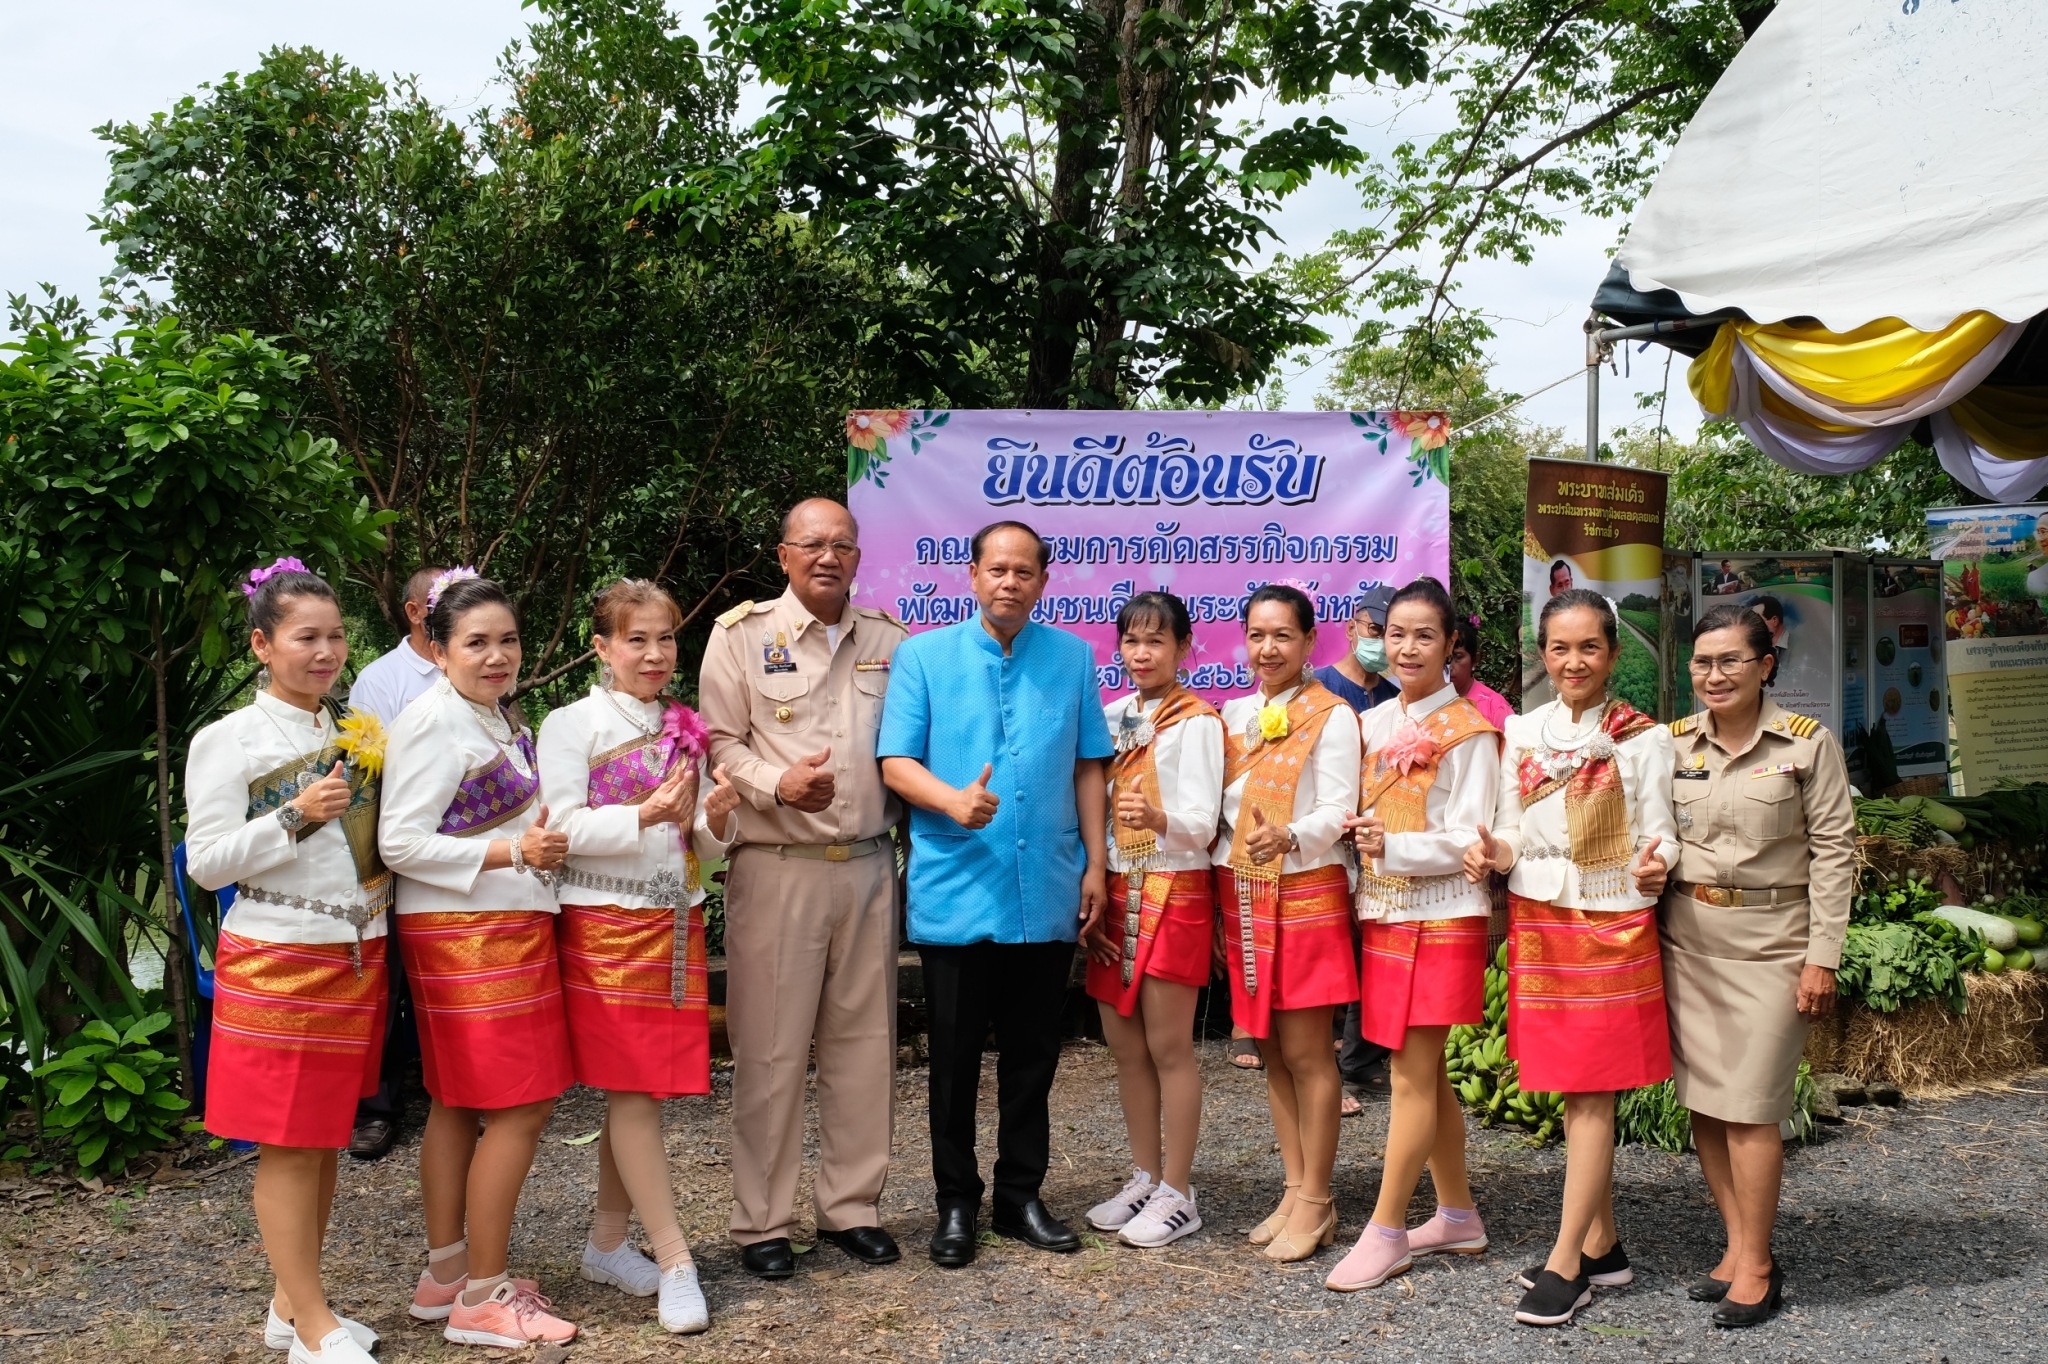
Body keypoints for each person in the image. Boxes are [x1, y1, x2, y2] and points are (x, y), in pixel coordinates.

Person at [877, 520, 1114, 1269]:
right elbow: (894, 762)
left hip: (1045, 887)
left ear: (1043, 581)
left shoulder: (1072, 658)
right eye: (996, 569)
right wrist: (950, 802)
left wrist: (1096, 866)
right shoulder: (922, 657)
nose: (1009, 582)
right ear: (972, 575)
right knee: (950, 1064)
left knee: (1033, 1057)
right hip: (958, 889)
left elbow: (1087, 767)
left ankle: (1019, 1197)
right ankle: (955, 1204)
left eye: (1024, 572)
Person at [698, 497, 910, 1280]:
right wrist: (778, 784)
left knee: (864, 1048)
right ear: (783, 555)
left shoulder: (891, 640)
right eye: (812, 544)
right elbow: (717, 742)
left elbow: (908, 748)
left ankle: (853, 1208)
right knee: (771, 1051)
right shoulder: (739, 636)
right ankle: (762, 1222)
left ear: (859, 558)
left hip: (865, 866)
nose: (828, 557)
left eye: (843, 546)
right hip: (777, 869)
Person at [186, 559, 390, 1364]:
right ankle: (313, 1324)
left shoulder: (343, 731)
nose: (326, 651)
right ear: (262, 645)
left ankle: (289, 1308)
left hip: (353, 954)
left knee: (324, 1134)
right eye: (307, 637)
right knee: (286, 1142)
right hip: (276, 956)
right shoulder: (225, 740)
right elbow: (207, 863)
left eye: (335, 635)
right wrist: (295, 817)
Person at [379, 570, 578, 1350]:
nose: (497, 656)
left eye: (508, 640)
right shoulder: (435, 719)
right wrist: (511, 849)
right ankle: (485, 1297)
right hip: (471, 933)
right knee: (522, 1106)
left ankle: (448, 1276)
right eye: (476, 643)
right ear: (436, 647)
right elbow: (400, 841)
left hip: (492, 922)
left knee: (460, 1102)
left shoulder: (490, 714)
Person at [1466, 588, 1675, 1328]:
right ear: (1543, 655)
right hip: (1541, 913)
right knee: (1565, 1083)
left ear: (1614, 655)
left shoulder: (1644, 739)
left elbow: (1661, 830)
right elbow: (1508, 829)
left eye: (1590, 647)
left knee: (1591, 1092)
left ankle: (1566, 1264)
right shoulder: (1521, 732)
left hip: (1611, 919)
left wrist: (1659, 864)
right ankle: (1605, 1249)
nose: (1574, 660)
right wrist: (1491, 851)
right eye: (1560, 647)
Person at [537, 579, 740, 1334]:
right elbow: (558, 828)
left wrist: (714, 821)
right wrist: (644, 812)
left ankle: (608, 1242)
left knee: (643, 1093)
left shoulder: (683, 726)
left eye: (665, 639)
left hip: (676, 922)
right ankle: (676, 1256)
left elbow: (698, 849)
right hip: (604, 926)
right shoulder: (570, 724)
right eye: (636, 640)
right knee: (630, 1092)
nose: (655, 655)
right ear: (601, 648)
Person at [1663, 604, 1856, 1328]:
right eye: (1703, 664)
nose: (1714, 675)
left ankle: (1760, 1265)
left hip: (1775, 944)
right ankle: (1740, 1247)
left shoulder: (1807, 746)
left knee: (1750, 1112)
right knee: (1706, 1107)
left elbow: (1836, 852)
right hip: (1689, 942)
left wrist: (1822, 958)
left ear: (1764, 665)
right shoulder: (1673, 745)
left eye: (1730, 662)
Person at [1326, 578, 1501, 1292]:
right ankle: (1457, 1214)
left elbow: (1471, 837)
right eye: (1396, 633)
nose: (1406, 647)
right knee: (1425, 1073)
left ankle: (1388, 1228)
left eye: (1424, 635)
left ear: (1450, 645)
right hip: (1387, 912)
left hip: (1446, 913)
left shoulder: (1471, 732)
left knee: (1407, 1069)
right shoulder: (1369, 724)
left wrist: (1388, 846)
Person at [1215, 583, 1362, 1264]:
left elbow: (1339, 808)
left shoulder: (1331, 716)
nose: (1267, 648)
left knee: (1307, 1051)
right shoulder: (1234, 713)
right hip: (1245, 890)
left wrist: (1292, 836)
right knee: (1269, 1047)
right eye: (1256, 634)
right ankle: (1294, 1186)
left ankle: (1320, 1200)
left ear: (1309, 643)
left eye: (1282, 636)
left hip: (1304, 889)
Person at [1081, 591, 1222, 1249]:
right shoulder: (1109, 718)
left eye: (1157, 642)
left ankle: (1179, 1189)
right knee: (1126, 1047)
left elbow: (1206, 823)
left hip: (1174, 888)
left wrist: (1161, 819)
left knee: (1169, 1048)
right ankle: (1145, 1173)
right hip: (1114, 887)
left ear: (1183, 649)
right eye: (1132, 642)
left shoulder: (1198, 723)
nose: (1143, 653)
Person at [340, 564, 443, 1162]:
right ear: (413, 611)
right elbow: (369, 771)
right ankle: (376, 1107)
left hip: (464, 851)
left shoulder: (476, 668)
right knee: (387, 981)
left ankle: (454, 1093)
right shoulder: (381, 680)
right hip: (393, 851)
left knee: (446, 975)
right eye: (447, 601)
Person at [1311, 584, 1397, 1111]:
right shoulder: (1318, 688)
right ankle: (1322, 1070)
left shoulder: (1394, 696)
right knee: (1325, 955)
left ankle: (1360, 1062)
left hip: (1381, 841)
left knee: (1373, 951)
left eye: (1391, 633)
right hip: (1323, 844)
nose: (1382, 642)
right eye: (1374, 630)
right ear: (1350, 627)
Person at [1449, 615, 1513, 732]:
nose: (1450, 666)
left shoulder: (1494, 706)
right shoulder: (1423, 700)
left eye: (1458, 657)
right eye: (1445, 657)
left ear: (1475, 659)